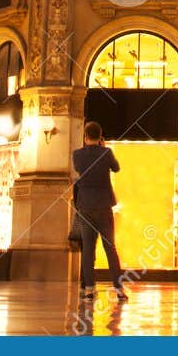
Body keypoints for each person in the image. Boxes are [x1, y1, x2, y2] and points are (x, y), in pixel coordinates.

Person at [72, 120, 126, 301]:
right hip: (104, 206)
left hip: (85, 207)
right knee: (110, 248)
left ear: (85, 137)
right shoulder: (106, 153)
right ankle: (118, 289)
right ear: (100, 136)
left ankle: (89, 289)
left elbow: (79, 169)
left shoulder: (77, 155)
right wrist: (104, 148)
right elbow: (116, 168)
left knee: (88, 250)